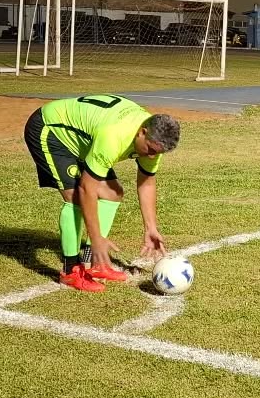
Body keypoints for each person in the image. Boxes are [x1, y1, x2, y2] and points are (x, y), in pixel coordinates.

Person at [23, 94, 179, 292]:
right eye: (150, 150)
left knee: (113, 194)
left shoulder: (153, 142)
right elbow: (87, 188)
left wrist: (151, 227)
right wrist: (96, 238)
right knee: (75, 198)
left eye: (157, 153)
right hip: (51, 130)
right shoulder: (114, 136)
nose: (151, 156)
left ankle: (95, 263)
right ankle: (70, 271)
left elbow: (146, 182)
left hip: (85, 141)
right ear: (142, 132)